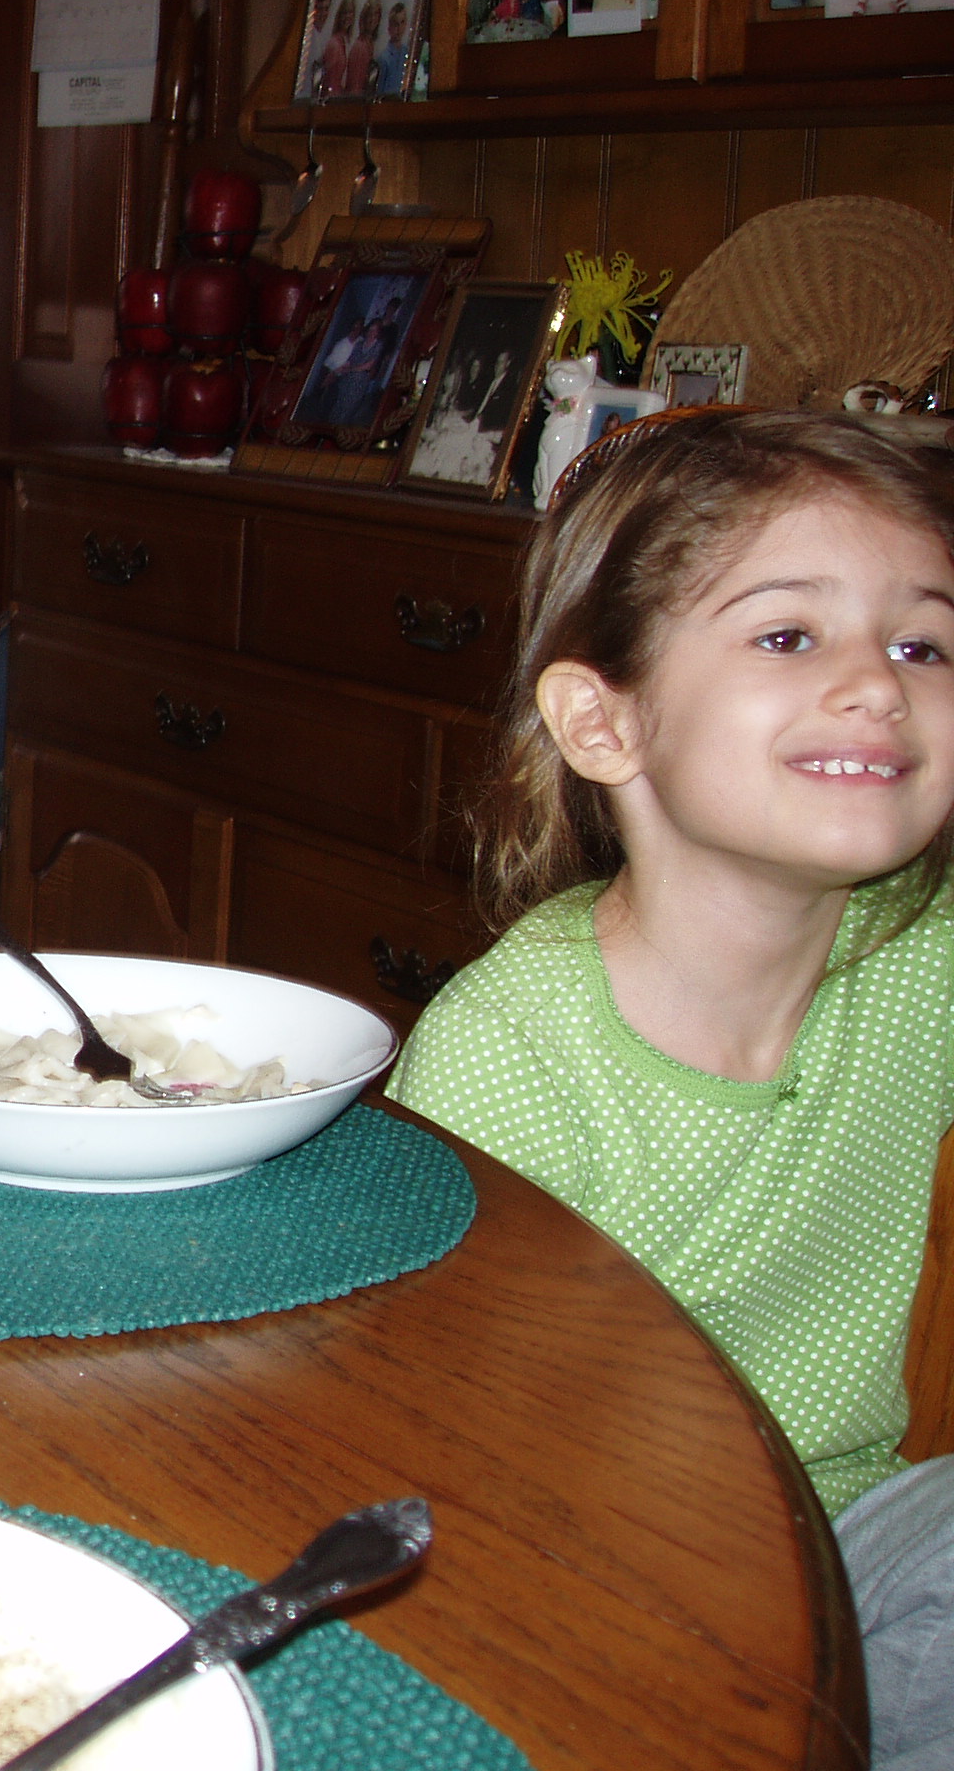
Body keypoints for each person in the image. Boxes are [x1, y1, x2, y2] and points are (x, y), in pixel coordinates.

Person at [387, 410, 954, 1770]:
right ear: (603, 721)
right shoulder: (509, 1057)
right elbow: (446, 1447)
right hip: (589, 1569)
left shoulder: (923, 958)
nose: (877, 686)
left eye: (924, 645)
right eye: (789, 636)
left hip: (848, 1543)